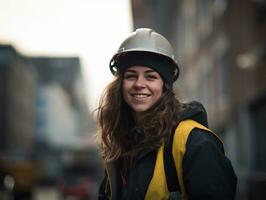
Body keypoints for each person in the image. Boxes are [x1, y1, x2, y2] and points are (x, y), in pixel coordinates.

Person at [97, 28, 237, 200]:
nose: (139, 84)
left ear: (165, 86)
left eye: (151, 77)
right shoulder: (120, 147)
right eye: (131, 76)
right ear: (121, 84)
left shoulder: (195, 142)